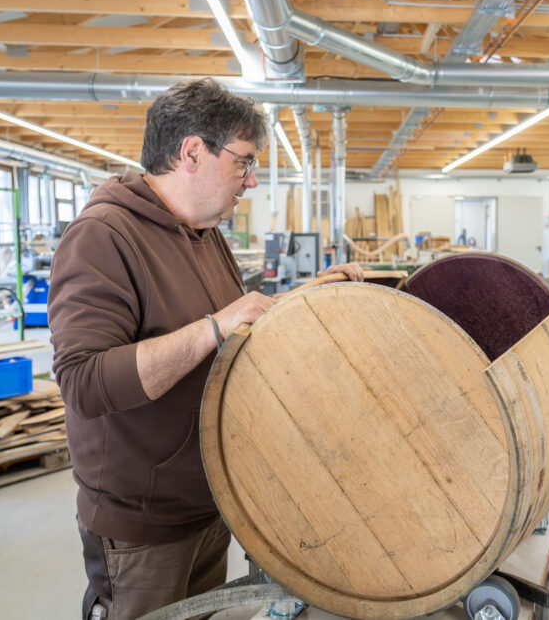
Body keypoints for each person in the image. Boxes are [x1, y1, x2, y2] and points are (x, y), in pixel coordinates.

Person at [48, 77, 363, 620]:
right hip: (145, 526)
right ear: (192, 152)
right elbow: (84, 382)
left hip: (209, 500)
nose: (253, 180)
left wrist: (310, 296)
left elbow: (236, 328)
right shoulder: (103, 235)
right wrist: (213, 326)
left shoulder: (204, 232)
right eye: (243, 162)